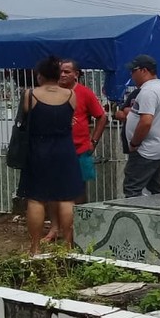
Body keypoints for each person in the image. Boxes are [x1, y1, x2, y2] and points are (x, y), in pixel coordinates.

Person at [17, 56, 85, 254]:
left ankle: (35, 247)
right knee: (66, 198)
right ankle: (68, 245)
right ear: (58, 75)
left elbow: (23, 120)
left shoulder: (30, 95)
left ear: (39, 76)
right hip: (65, 149)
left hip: (38, 149)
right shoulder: (71, 95)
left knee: (36, 199)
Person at [40, 59, 108, 243]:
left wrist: (93, 141)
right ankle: (55, 228)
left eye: (67, 72)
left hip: (79, 150)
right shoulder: (50, 92)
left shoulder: (85, 93)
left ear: (76, 74)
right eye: (60, 71)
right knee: (52, 192)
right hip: (54, 151)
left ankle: (78, 229)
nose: (63, 74)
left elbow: (102, 117)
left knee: (78, 192)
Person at [119, 54, 160, 197]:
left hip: (145, 149)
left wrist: (135, 142)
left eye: (133, 71)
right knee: (156, 190)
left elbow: (146, 121)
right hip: (157, 147)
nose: (131, 75)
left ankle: (133, 218)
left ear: (144, 70)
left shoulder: (148, 92)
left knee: (132, 189)